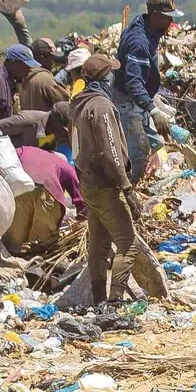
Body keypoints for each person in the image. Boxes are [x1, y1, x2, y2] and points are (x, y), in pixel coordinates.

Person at [70, 54, 167, 303]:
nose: (114, 77)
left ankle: (99, 301)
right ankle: (113, 303)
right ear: (104, 78)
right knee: (127, 244)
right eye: (111, 73)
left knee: (99, 246)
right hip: (105, 184)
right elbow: (110, 151)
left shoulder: (80, 105)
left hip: (89, 183)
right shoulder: (101, 107)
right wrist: (126, 187)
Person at [114, 0, 183, 184]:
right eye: (167, 17)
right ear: (155, 16)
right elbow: (133, 83)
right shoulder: (139, 42)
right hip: (127, 102)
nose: (170, 22)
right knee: (138, 150)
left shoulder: (145, 28)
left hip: (136, 101)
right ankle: (130, 188)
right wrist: (153, 111)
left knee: (157, 142)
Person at [3, 145, 86, 249]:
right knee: (43, 242)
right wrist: (83, 219)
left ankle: (16, 253)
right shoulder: (65, 166)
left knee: (15, 241)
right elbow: (79, 199)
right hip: (47, 197)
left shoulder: (26, 149)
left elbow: (5, 161)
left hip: (21, 193)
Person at [5, 44, 68, 113]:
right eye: (50, 58)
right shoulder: (44, 79)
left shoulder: (41, 80)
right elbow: (66, 104)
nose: (53, 62)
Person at [0, 102, 71, 149]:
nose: (64, 137)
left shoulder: (55, 134)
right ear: (55, 124)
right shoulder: (28, 121)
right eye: (64, 133)